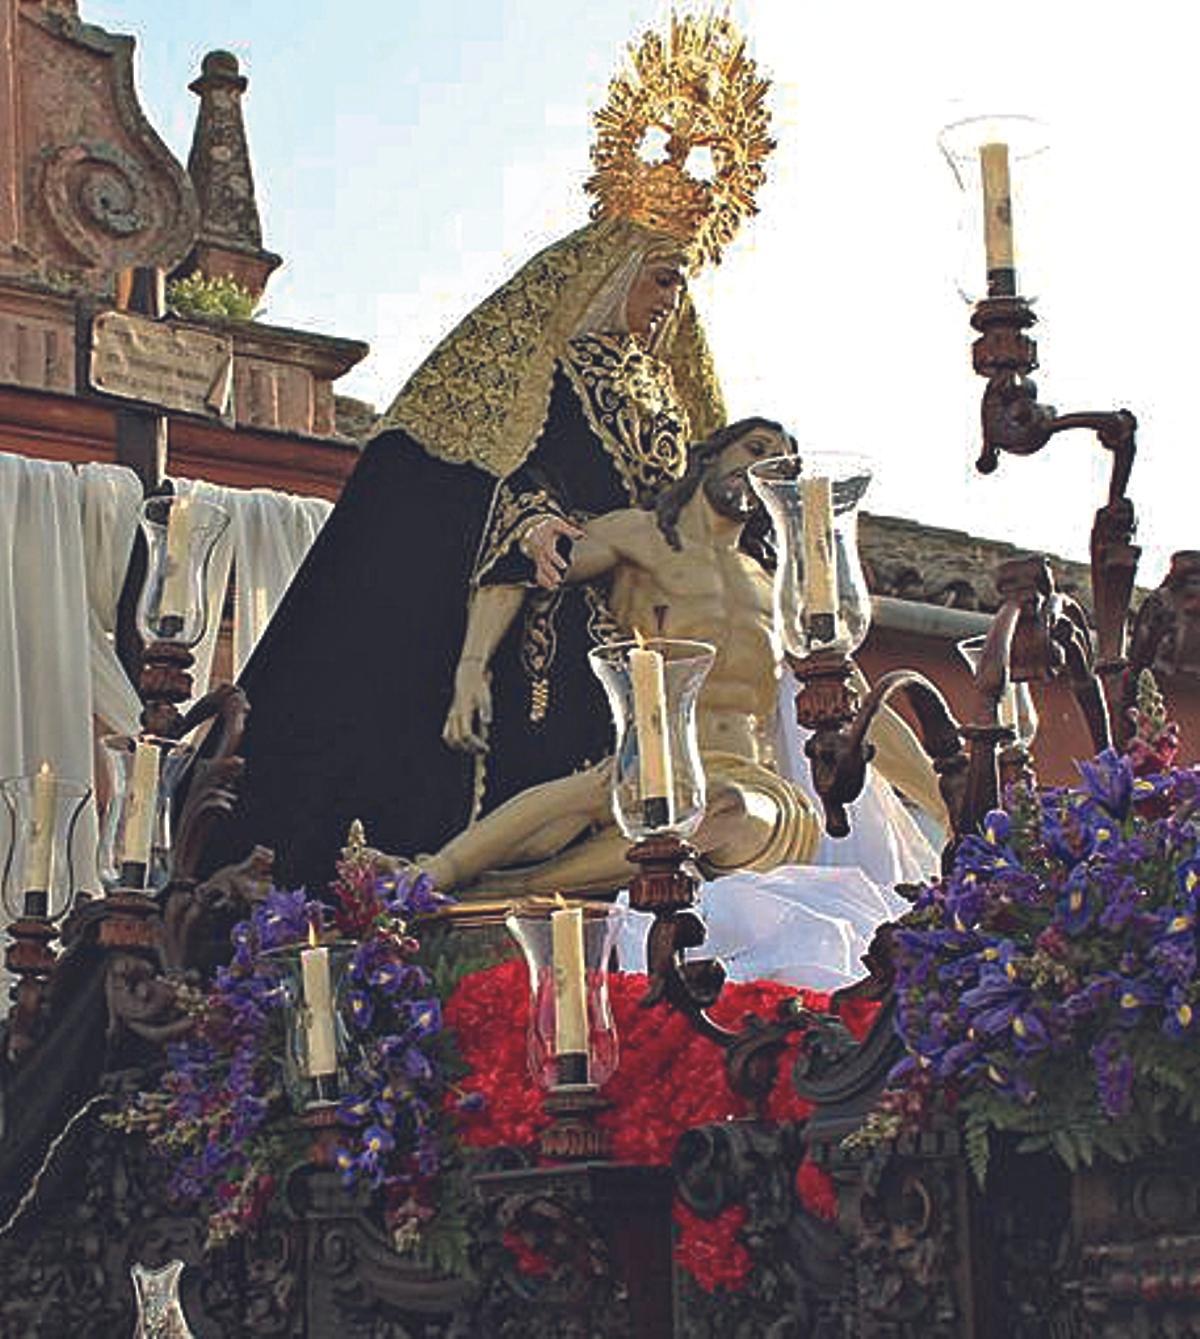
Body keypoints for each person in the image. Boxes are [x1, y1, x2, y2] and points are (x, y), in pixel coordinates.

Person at [201, 15, 776, 893]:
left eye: (681, 285)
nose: (670, 302)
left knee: (669, 814)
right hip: (556, 624)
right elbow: (495, 472)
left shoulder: (671, 395)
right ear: (611, 274)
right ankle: (471, 892)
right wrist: (535, 526)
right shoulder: (543, 361)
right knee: (567, 795)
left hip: (658, 635)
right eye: (660, 279)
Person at [421, 420, 936, 896]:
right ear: (709, 457)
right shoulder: (640, 536)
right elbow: (527, 566)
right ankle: (426, 880)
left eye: (778, 467)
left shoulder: (778, 586)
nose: (760, 470)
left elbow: (858, 711)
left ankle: (509, 892)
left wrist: (951, 807)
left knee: (717, 810)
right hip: (649, 762)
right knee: (582, 800)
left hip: (755, 792)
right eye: (754, 450)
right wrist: (473, 666)